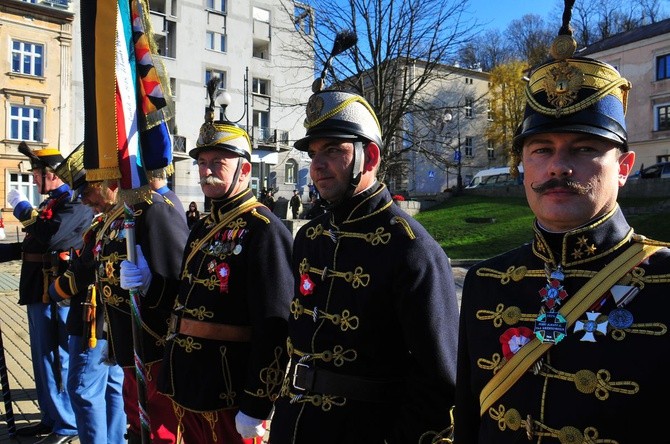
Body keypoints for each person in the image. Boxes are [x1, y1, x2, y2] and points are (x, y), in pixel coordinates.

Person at [454, 3, 670, 442]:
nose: (558, 167)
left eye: (584, 149)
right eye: (541, 150)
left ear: (624, 166)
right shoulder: (485, 282)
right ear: (523, 166)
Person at [268, 64, 460, 442]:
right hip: (294, 424)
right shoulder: (311, 236)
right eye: (313, 153)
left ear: (369, 158)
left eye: (333, 151)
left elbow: (439, 382)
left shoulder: (412, 250)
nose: (317, 165)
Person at [147, 87, 294, 443]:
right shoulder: (202, 226)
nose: (206, 171)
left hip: (229, 389)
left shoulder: (264, 230)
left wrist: (259, 401)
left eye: (218, 163)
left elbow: (275, 326)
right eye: (202, 163)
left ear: (244, 169)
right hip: (190, 381)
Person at [0, 143, 93, 444]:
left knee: (57, 357)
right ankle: (51, 417)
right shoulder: (55, 201)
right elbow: (33, 243)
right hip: (37, 287)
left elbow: (51, 236)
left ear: (51, 175)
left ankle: (66, 424)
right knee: (43, 358)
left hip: (56, 290)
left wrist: (22, 208)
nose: (34, 180)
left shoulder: (75, 202)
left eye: (37, 174)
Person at [86, 173, 189, 444]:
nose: (87, 199)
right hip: (127, 344)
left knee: (160, 427)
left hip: (153, 344)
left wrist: (150, 285)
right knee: (136, 419)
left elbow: (177, 281)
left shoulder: (154, 209)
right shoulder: (117, 215)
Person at [47, 145, 126, 444]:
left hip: (94, 318)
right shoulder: (112, 220)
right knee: (111, 387)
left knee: (83, 391)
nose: (82, 200)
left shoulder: (110, 222)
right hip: (110, 319)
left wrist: (54, 292)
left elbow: (80, 274)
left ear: (101, 185)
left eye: (85, 192)